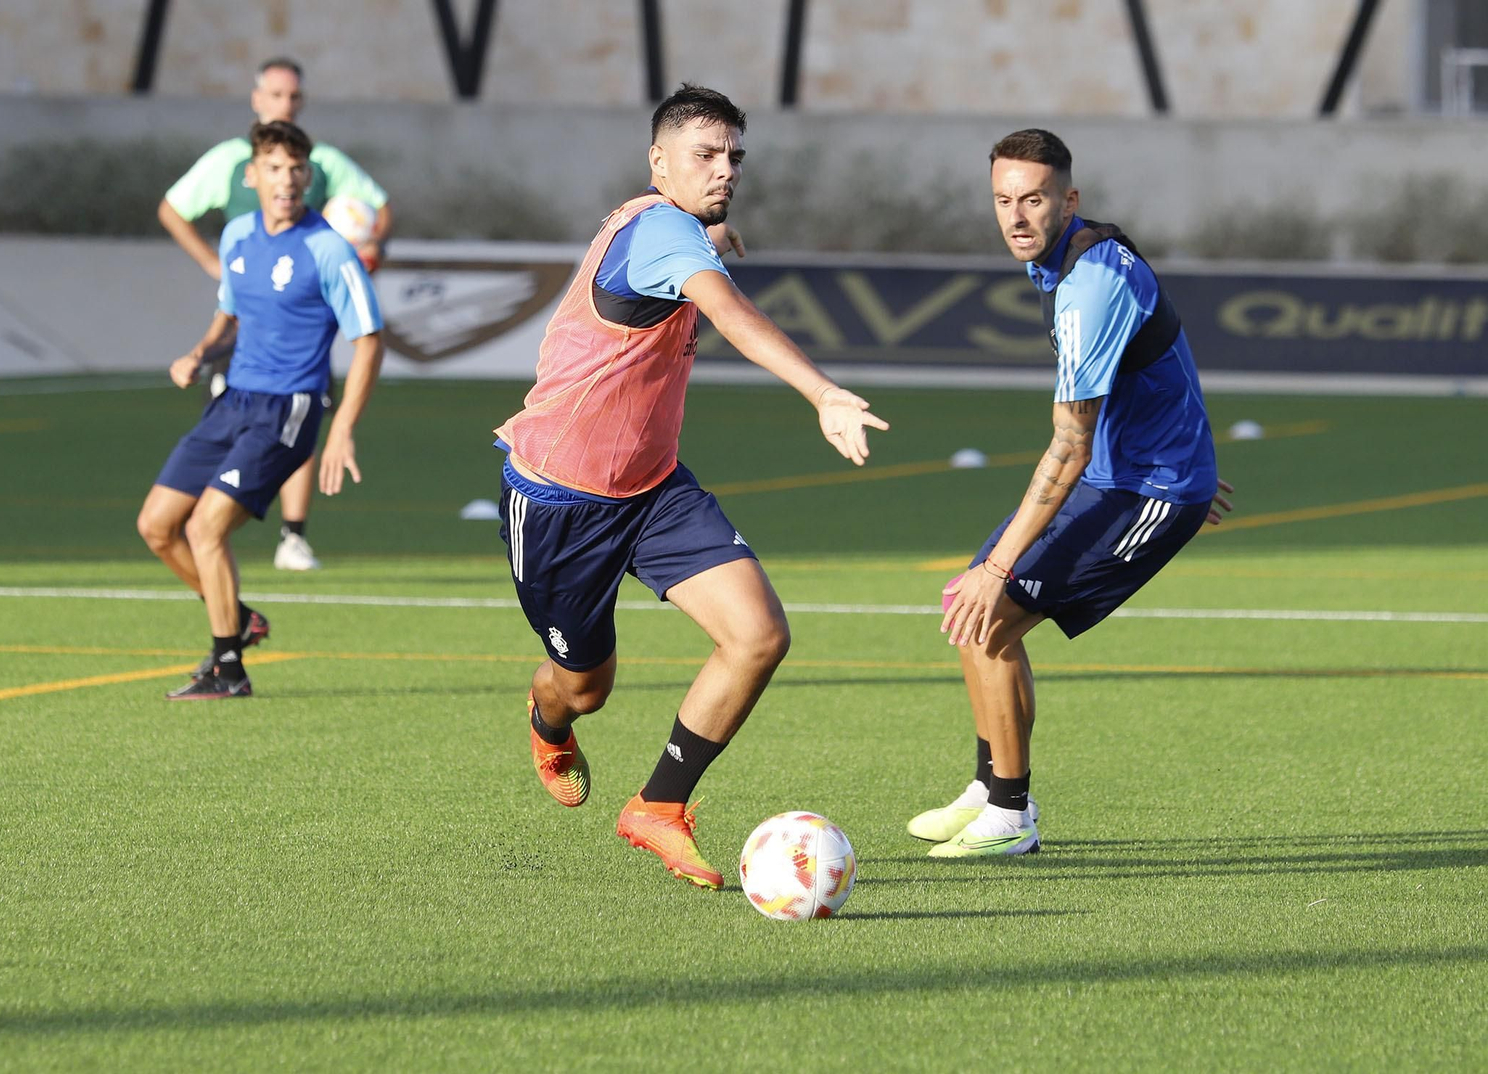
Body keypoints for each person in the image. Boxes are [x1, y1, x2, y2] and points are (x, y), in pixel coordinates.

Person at [494, 84, 889, 890]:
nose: (725, 169)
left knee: (758, 634)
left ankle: (658, 807)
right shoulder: (665, 236)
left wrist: (712, 232)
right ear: (658, 161)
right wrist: (824, 392)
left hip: (654, 490)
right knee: (584, 689)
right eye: (706, 155)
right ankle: (546, 718)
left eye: (734, 156)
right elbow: (732, 314)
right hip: (562, 502)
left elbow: (689, 247)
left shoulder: (669, 225)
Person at [907, 128, 1234, 857]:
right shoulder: (1069, 258)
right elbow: (1161, 354)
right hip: (1131, 476)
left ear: (1069, 199)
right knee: (968, 605)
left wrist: (1182, 478)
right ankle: (990, 784)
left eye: (1033, 199)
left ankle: (1011, 817)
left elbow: (1067, 444)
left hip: (1141, 487)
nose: (1016, 216)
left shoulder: (1092, 282)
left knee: (991, 612)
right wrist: (1191, 455)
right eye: (1002, 200)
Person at [137, 120, 384, 700]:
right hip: (232, 402)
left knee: (205, 527)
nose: (287, 179)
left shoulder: (328, 249)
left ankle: (229, 668)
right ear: (252, 176)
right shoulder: (238, 235)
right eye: (274, 167)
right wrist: (200, 352)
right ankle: (238, 619)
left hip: (288, 412)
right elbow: (231, 314)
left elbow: (369, 338)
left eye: (297, 168)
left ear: (308, 177)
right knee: (156, 527)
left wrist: (342, 426)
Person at [158, 56, 393, 571]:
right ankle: (220, 537)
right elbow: (171, 207)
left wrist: (367, 255)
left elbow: (377, 207)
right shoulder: (227, 162)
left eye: (293, 97)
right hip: (245, 320)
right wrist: (211, 264)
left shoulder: (325, 162)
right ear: (256, 98)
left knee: (297, 414)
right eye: (276, 95)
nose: (284, 104)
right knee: (229, 435)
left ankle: (291, 534)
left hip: (302, 320)